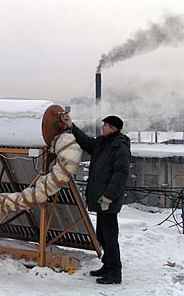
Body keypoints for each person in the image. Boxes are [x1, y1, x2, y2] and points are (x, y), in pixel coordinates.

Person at [61, 113, 131, 285]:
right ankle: (107, 266)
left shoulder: (119, 147)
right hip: (101, 199)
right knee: (102, 234)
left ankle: (114, 273)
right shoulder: (103, 143)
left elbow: (121, 174)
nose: (102, 127)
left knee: (110, 236)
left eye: (105, 125)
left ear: (113, 128)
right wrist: (71, 125)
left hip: (108, 200)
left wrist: (109, 196)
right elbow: (86, 142)